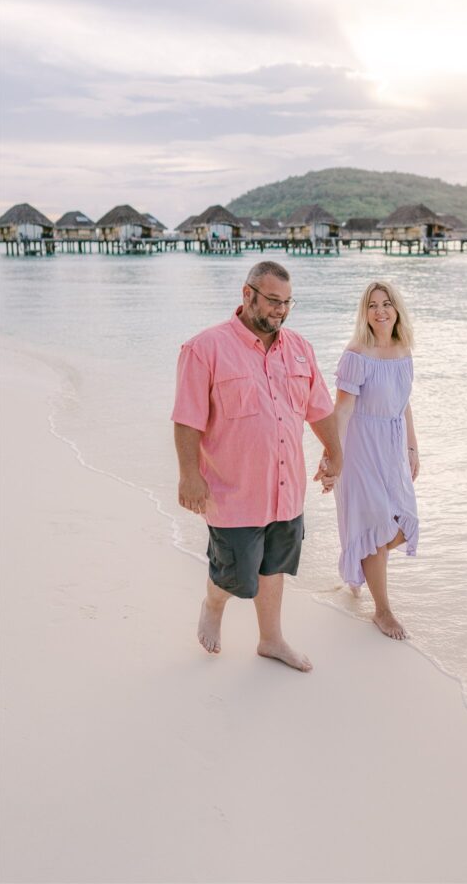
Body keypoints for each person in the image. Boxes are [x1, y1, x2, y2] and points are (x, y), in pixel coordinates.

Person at [171, 260, 341, 672]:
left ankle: (271, 640)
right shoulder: (205, 348)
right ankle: (214, 603)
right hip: (233, 491)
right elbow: (187, 418)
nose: (280, 310)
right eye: (272, 301)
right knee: (236, 575)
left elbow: (319, 409)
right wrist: (189, 475)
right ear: (247, 295)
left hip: (286, 489)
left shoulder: (300, 348)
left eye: (287, 302)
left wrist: (334, 453)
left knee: (275, 566)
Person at [330, 281, 419, 640]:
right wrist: (333, 453)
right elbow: (342, 409)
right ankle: (382, 611)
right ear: (364, 313)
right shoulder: (356, 354)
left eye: (386, 303)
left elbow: (404, 401)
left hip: (393, 446)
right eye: (372, 305)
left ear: (397, 309)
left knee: (400, 521)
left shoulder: (402, 349)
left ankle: (359, 561)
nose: (380, 311)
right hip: (361, 447)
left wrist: (412, 448)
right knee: (377, 526)